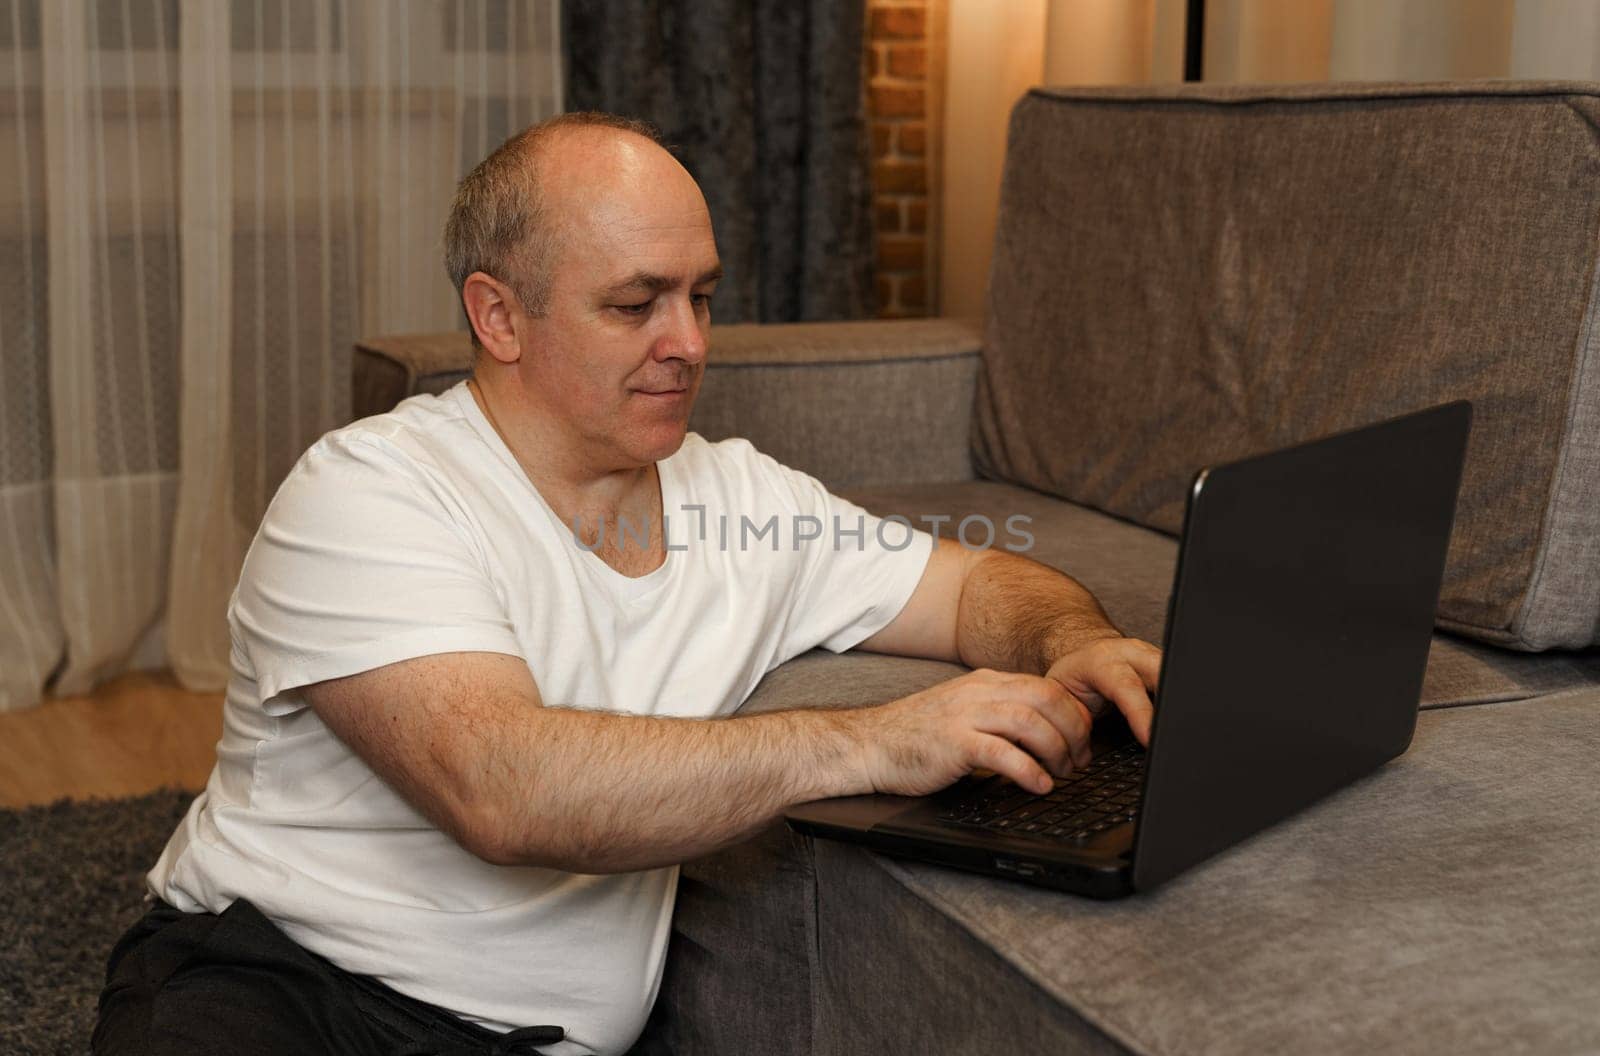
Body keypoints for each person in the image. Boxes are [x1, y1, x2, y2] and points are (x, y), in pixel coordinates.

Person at [93, 112, 1162, 1056]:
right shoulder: (367, 490)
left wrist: (1071, 639)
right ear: (499, 316)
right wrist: (872, 737)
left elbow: (977, 585)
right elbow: (503, 789)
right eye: (634, 303)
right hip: (293, 987)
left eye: (700, 296)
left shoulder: (745, 499)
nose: (687, 343)